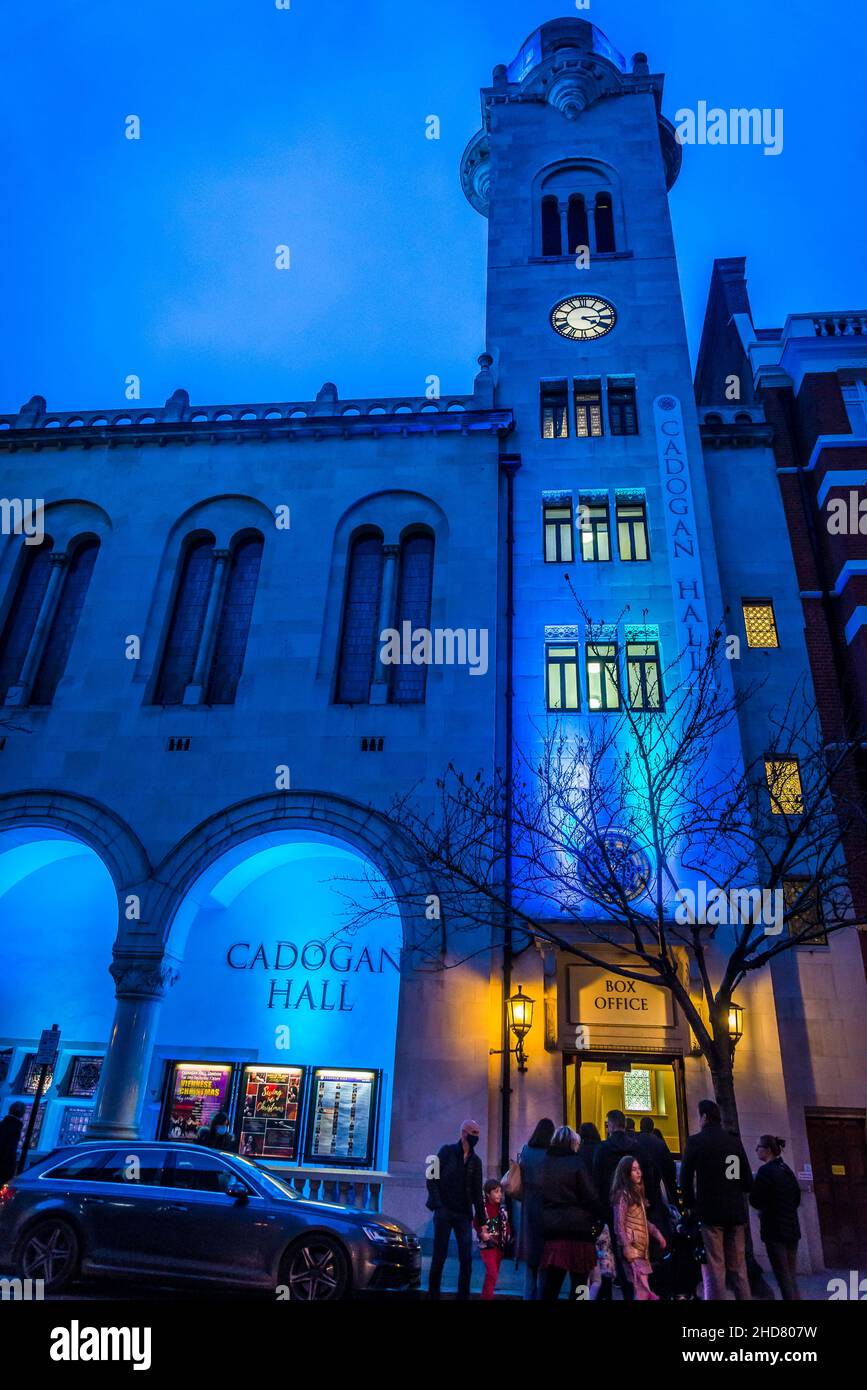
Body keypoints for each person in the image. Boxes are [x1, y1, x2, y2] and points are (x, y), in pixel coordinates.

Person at [680, 1099, 752, 1301]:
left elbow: (685, 1178)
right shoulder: (733, 1142)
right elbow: (745, 1180)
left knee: (715, 1268)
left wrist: (690, 1206)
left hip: (710, 1212)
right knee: (739, 1269)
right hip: (735, 1212)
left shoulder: (696, 1142)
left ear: (704, 1117)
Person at [593, 1109, 658, 1301]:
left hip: (611, 1209)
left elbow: (597, 1182)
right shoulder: (638, 1149)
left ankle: (628, 1291)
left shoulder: (603, 1150)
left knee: (618, 1257)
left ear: (611, 1125)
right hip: (636, 1210)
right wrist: (647, 1203)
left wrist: (601, 1209)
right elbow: (650, 1176)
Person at [539, 1126, 602, 1301]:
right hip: (579, 1229)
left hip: (553, 1228)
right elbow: (589, 1195)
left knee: (552, 1281)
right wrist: (599, 1214)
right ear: (574, 1143)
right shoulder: (577, 1163)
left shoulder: (545, 1163)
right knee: (580, 1281)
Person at [426, 1119, 486, 1300]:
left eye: (478, 1133)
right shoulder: (446, 1151)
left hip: (463, 1213)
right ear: (463, 1133)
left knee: (466, 1258)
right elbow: (431, 1177)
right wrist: (438, 1204)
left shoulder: (476, 1161)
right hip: (444, 1211)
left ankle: (463, 1296)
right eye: (472, 1132)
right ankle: (433, 1294)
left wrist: (482, 1221)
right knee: (439, 1255)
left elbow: (477, 1192)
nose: (476, 1136)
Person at [750, 1135, 802, 1301]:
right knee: (791, 1275)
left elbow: (755, 1200)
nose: (756, 1150)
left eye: (758, 1147)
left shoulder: (765, 1172)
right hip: (791, 1228)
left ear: (767, 1149)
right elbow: (796, 1197)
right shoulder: (786, 1170)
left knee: (782, 1276)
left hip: (774, 1230)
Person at [611, 1155, 667, 1300]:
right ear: (626, 1173)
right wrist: (626, 1246)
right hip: (632, 1247)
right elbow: (619, 1223)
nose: (638, 1172)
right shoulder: (623, 1195)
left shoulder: (635, 1194)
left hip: (641, 1248)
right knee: (642, 1290)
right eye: (634, 1170)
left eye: (639, 1169)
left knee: (642, 1289)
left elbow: (642, 1220)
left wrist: (656, 1233)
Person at [515, 1117, 556, 1299]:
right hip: (546, 1207)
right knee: (544, 1261)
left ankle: (527, 1296)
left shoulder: (526, 1151)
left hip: (528, 1205)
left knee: (530, 1260)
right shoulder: (551, 1154)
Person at [475, 1177, 511, 1300]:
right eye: (496, 1191)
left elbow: (506, 1224)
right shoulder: (483, 1208)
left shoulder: (502, 1208)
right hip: (487, 1246)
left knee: (492, 1275)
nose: (499, 1194)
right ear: (488, 1193)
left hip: (499, 1245)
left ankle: (486, 1296)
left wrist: (509, 1235)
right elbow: (475, 1223)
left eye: (500, 1191)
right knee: (492, 1273)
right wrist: (481, 1233)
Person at [0, 1101, 26, 1184]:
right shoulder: (15, 1128)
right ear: (22, 1113)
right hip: (4, 1168)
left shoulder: (3, 1124)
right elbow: (9, 1149)